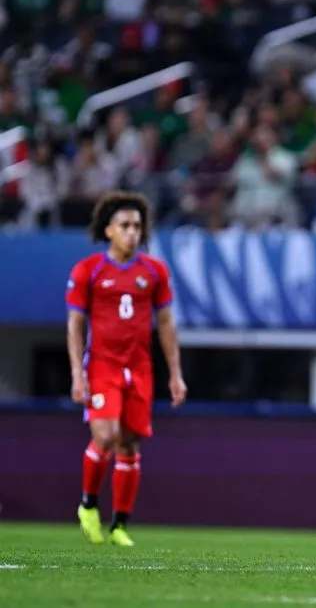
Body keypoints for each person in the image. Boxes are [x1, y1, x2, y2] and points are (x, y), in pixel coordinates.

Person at [66, 191, 187, 546]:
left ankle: (119, 524)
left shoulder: (154, 271)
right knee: (105, 435)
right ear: (108, 231)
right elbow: (75, 323)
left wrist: (175, 373)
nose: (132, 232)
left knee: (130, 444)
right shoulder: (89, 270)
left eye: (137, 226)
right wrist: (77, 373)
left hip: (140, 367)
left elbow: (166, 323)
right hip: (102, 364)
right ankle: (89, 504)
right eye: (125, 226)